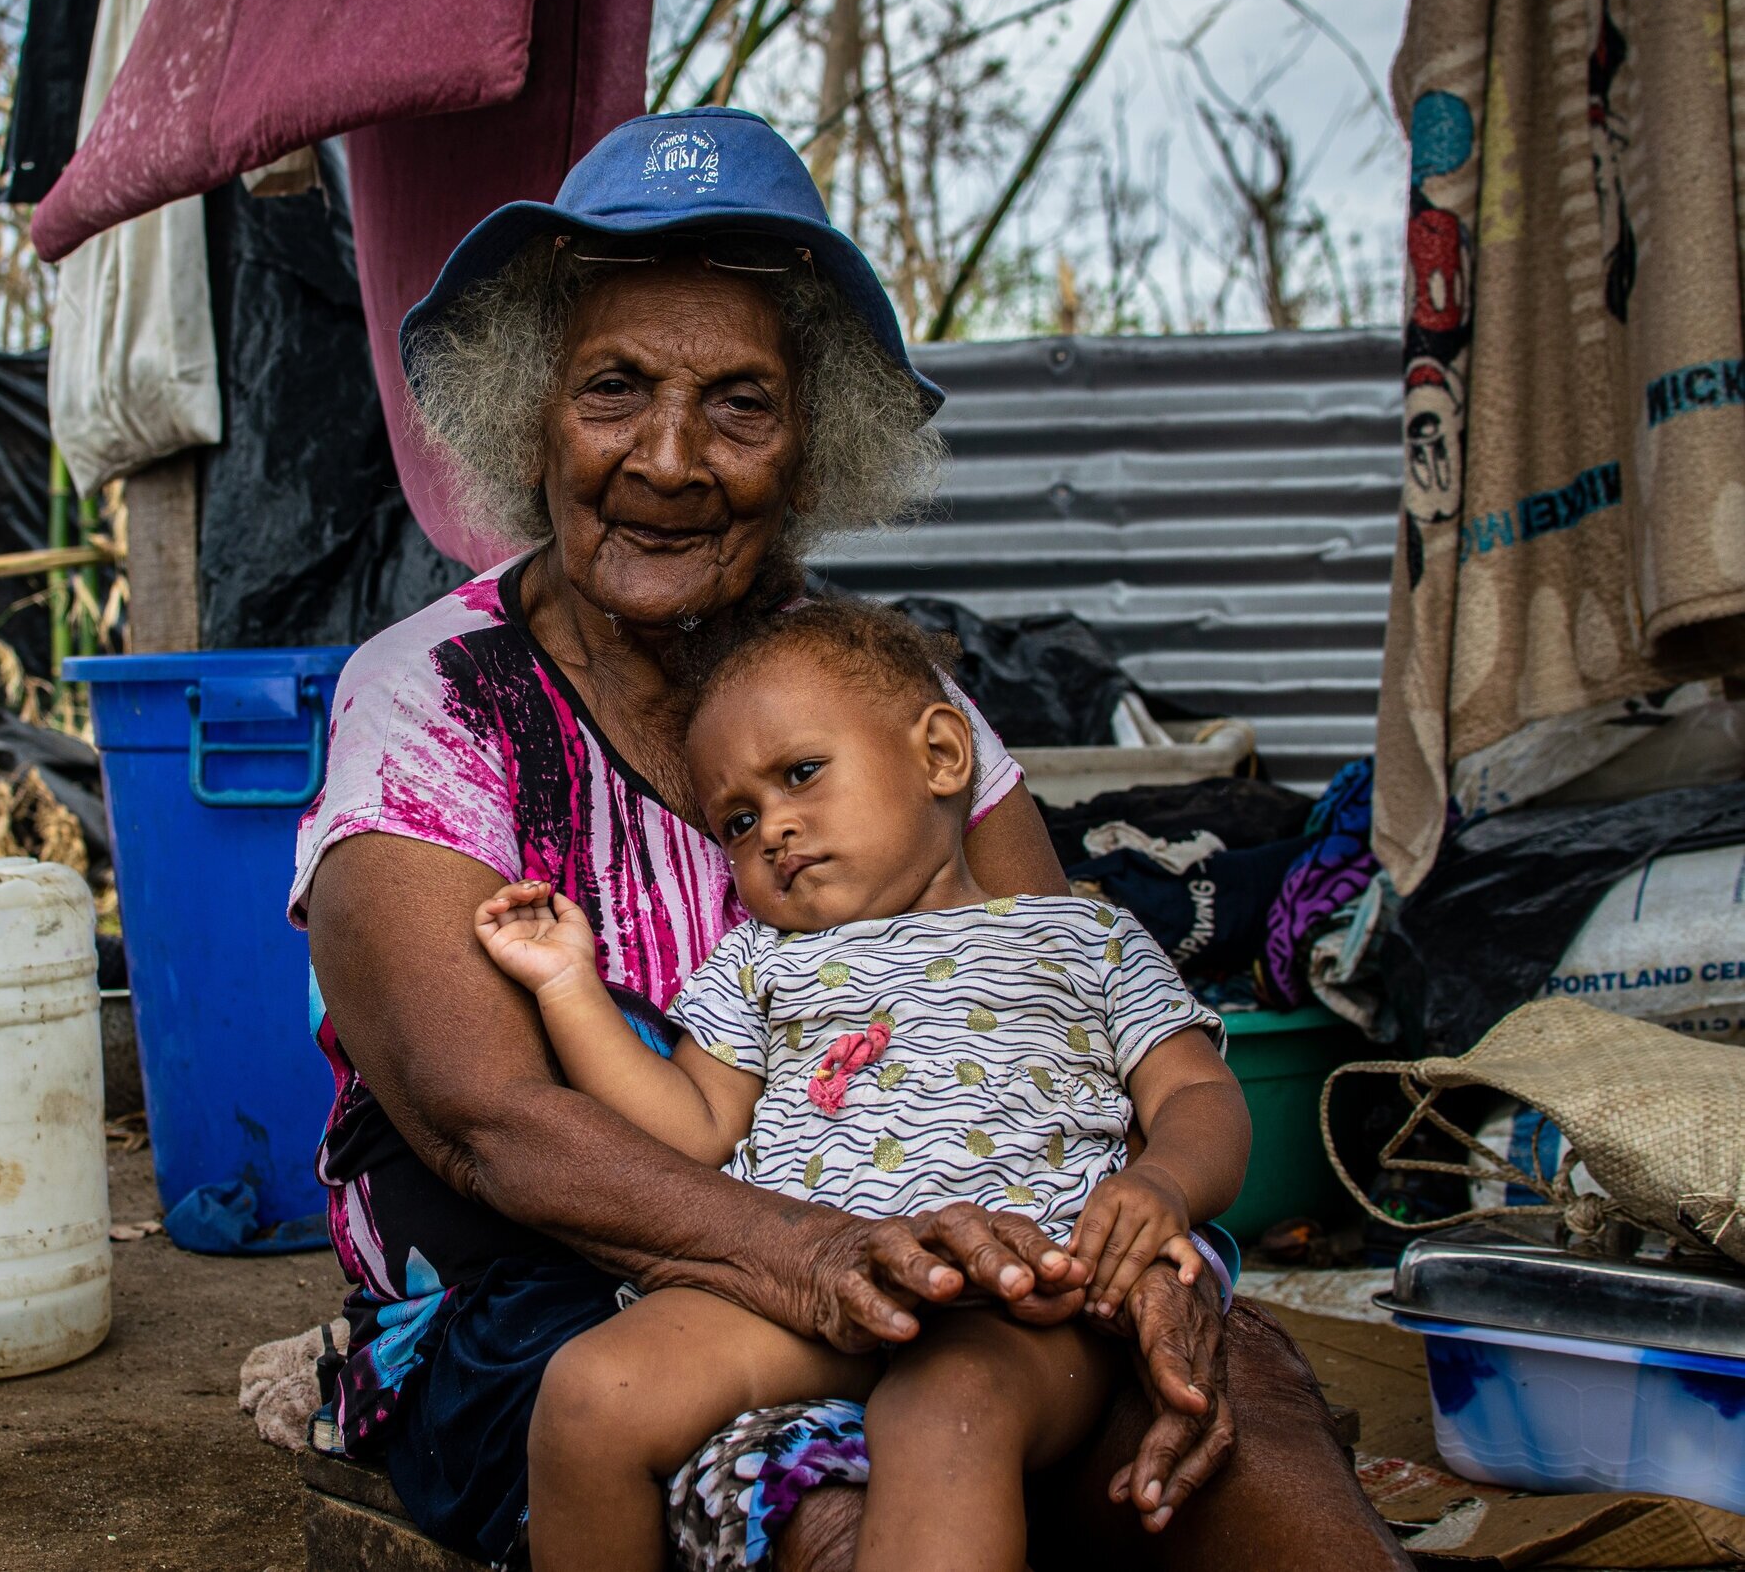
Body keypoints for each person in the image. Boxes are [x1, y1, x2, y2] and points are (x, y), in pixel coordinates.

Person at [296, 105, 1409, 1571]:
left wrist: (1161, 1254)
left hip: (953, 1268)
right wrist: (817, 1256)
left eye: (741, 404)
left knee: (1231, 1395)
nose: (673, 456)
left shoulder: (902, 704)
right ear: (533, 412)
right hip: (571, 1289)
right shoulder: (433, 696)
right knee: (817, 1499)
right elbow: (485, 1120)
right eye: (614, 388)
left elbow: (1059, 1014)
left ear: (813, 441)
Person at [473, 597, 1251, 1572]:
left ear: (939, 755)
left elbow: (1197, 1095)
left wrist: (1164, 1185)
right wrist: (566, 984)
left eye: (801, 773)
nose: (774, 829)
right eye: (738, 819)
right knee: (592, 1392)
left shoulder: (1080, 937)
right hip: (811, 1292)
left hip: (1022, 1305)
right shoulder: (759, 962)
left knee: (946, 1418)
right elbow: (691, 1124)